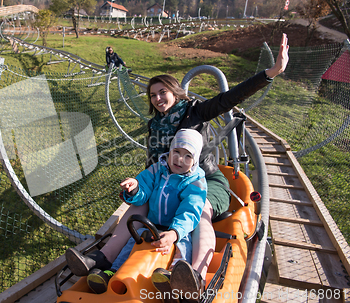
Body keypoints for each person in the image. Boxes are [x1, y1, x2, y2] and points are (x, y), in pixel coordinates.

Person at [66, 34, 289, 299]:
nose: (158, 98)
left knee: (201, 207)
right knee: (137, 206)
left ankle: (194, 272)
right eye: (152, 95)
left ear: (174, 92)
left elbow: (229, 98)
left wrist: (271, 72)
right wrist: (136, 187)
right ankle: (102, 260)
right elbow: (153, 167)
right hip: (167, 179)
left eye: (163, 92)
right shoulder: (155, 125)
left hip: (202, 179)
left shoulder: (194, 112)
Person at [87, 128, 207, 294]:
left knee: (183, 247)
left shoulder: (195, 181)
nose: (180, 158)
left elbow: (190, 211)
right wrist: (135, 189)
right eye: (176, 151)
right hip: (151, 224)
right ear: (170, 151)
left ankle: (175, 278)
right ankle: (113, 272)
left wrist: (174, 233)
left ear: (195, 160)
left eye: (188, 156)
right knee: (132, 245)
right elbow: (143, 189)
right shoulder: (157, 169)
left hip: (176, 230)